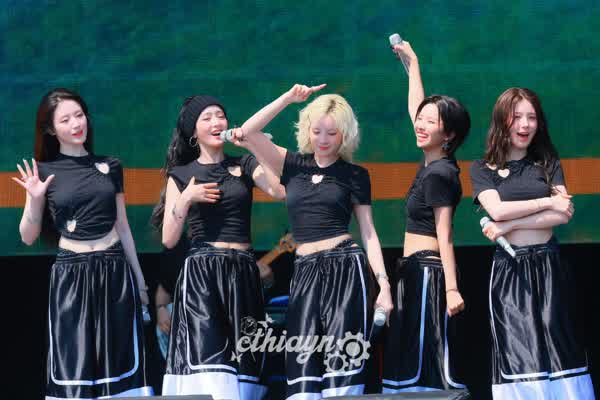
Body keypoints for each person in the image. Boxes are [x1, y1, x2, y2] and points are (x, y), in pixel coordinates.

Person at [228, 83, 394, 399]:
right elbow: (248, 131)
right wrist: (288, 98)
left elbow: (369, 232)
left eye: (331, 133)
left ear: (345, 134)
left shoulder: (355, 175)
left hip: (345, 267)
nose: (323, 140)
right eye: (317, 131)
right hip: (305, 270)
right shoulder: (292, 165)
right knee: (302, 366)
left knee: (344, 364)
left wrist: (383, 284)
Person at [12, 88, 153, 398]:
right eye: (65, 120)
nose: (76, 124)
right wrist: (34, 199)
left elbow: (123, 227)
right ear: (51, 129)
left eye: (79, 115)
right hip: (71, 274)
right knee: (73, 365)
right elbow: (27, 236)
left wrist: (140, 282)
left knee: (120, 363)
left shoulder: (110, 166)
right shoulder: (43, 172)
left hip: (114, 269)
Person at [151, 95, 285, 399]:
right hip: (203, 275)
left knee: (246, 366)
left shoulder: (244, 164)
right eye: (207, 118)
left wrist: (252, 145)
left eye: (220, 116)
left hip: (242, 273)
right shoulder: (182, 175)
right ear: (193, 132)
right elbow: (169, 238)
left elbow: (279, 191)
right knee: (212, 364)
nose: (216, 122)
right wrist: (187, 198)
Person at [469, 87, 595, 399]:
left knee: (561, 348)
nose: (525, 125)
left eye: (532, 117)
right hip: (511, 269)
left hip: (550, 265)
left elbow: (563, 213)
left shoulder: (547, 162)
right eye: (517, 117)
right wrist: (546, 201)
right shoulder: (482, 168)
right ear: (502, 120)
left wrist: (510, 225)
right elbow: (496, 210)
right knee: (519, 350)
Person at [381, 41, 471, 393]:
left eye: (430, 122)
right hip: (415, 270)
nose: (419, 124)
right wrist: (412, 64)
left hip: (430, 273)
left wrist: (451, 289)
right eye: (421, 119)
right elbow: (415, 110)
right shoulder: (432, 163)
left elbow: (444, 234)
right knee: (411, 364)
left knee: (427, 366)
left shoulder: (439, 173)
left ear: (448, 135)